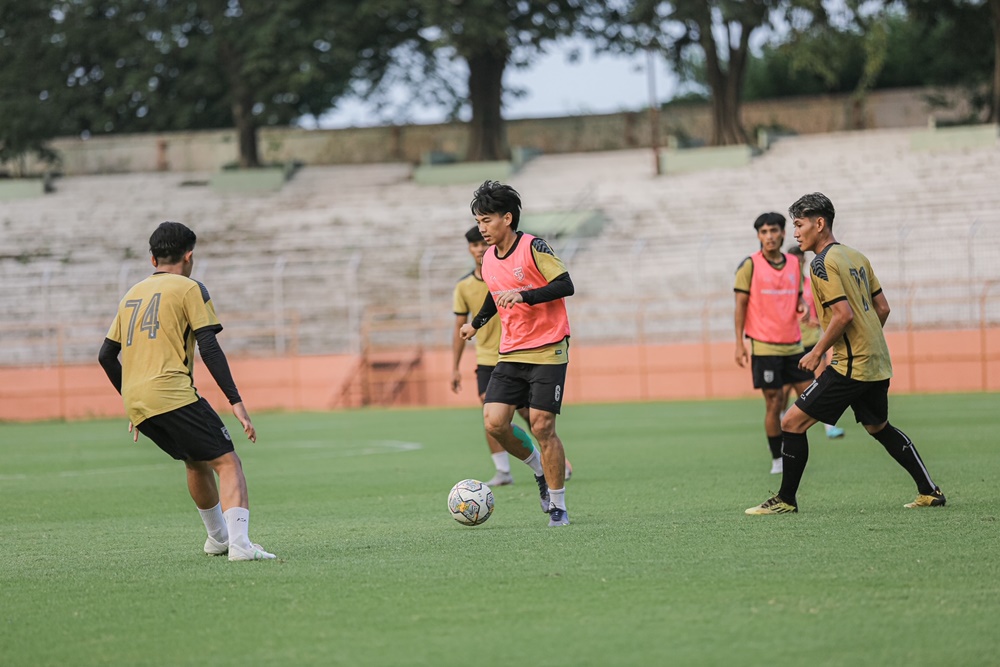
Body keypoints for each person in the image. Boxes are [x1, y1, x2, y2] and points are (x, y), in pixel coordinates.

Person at [746, 193, 946, 515]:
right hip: (877, 360)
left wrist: (818, 353)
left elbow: (843, 315)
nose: (795, 233)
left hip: (850, 365)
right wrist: (866, 340)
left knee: (792, 423)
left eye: (799, 225)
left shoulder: (822, 264)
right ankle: (929, 491)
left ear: (819, 223)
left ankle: (786, 500)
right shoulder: (856, 257)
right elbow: (882, 308)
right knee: (878, 427)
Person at [98, 221, 275, 560]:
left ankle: (219, 539)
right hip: (171, 393)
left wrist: (133, 400)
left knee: (195, 462)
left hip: (138, 401)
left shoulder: (130, 294)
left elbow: (106, 355)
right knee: (228, 462)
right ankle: (240, 545)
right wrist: (236, 401)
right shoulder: (190, 288)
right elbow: (208, 346)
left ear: (153, 261)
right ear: (189, 256)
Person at [459, 180, 574, 527]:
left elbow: (565, 284)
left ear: (507, 218)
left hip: (548, 348)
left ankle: (557, 506)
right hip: (511, 353)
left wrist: (524, 296)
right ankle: (538, 468)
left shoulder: (533, 246)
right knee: (494, 423)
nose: (482, 229)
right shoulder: (490, 258)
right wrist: (476, 325)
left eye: (487, 221)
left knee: (543, 425)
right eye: (478, 222)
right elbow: (495, 296)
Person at [734, 212, 815, 475]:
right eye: (764, 232)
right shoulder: (750, 265)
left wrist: (801, 304)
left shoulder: (793, 262)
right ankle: (777, 458)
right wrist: (739, 343)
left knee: (811, 397)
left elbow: (798, 295)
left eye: (773, 231)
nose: (769, 236)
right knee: (774, 401)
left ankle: (794, 444)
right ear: (759, 236)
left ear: (783, 233)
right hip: (764, 345)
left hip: (793, 343)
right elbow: (740, 305)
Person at [784, 244, 845, 440]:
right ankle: (781, 426)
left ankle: (829, 427)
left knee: (821, 383)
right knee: (783, 390)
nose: (797, 262)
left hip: (813, 340)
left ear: (803, 260)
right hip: (790, 342)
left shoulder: (811, 284)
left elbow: (826, 313)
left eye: (800, 259)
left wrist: (815, 322)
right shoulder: (784, 286)